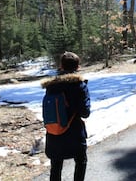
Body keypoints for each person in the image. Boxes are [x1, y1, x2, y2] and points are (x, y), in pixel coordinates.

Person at [41, 51, 91, 181]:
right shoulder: (80, 86)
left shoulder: (51, 87)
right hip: (74, 133)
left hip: (54, 132)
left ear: (61, 66)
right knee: (81, 161)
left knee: (56, 166)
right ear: (77, 67)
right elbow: (85, 113)